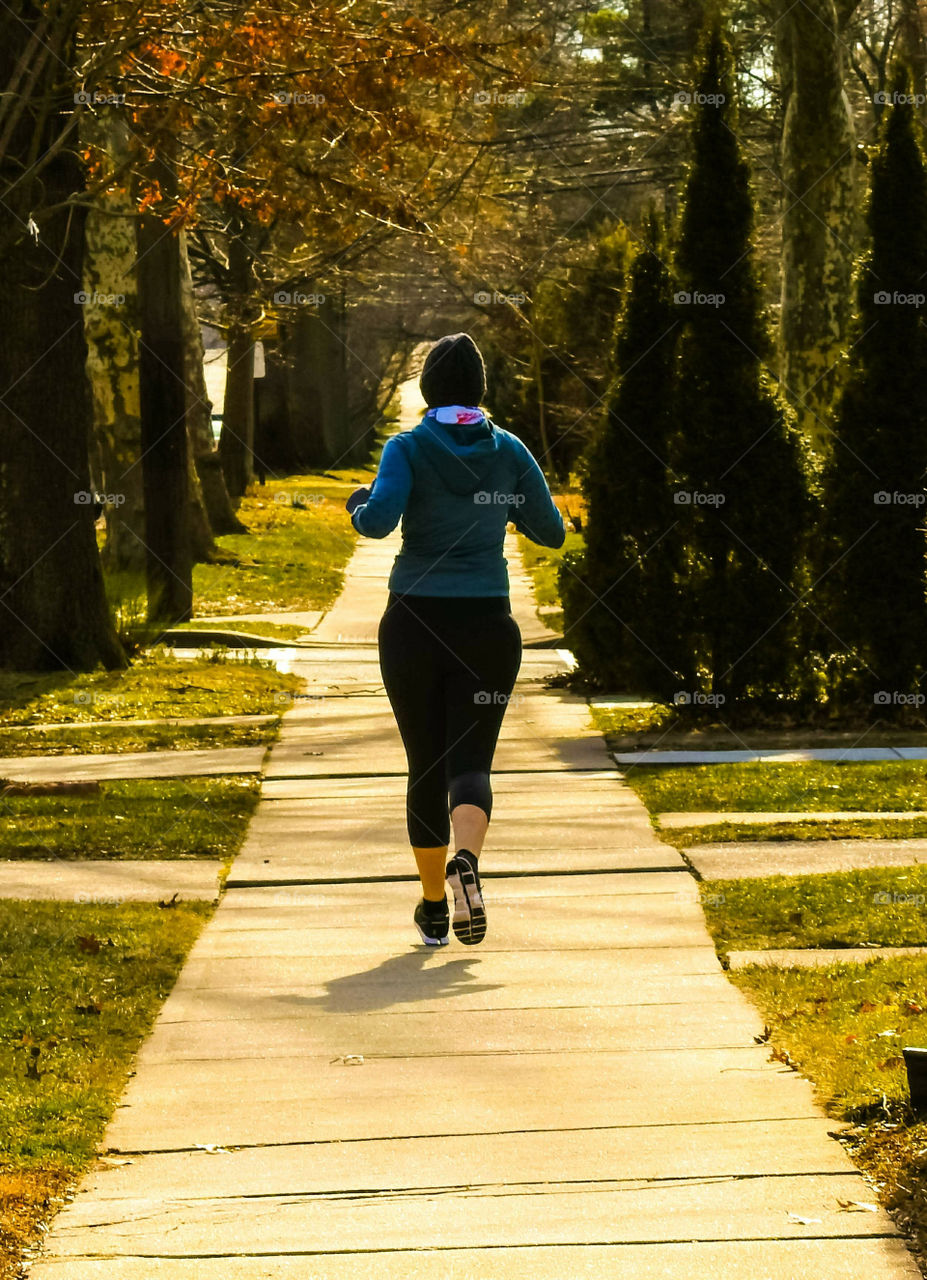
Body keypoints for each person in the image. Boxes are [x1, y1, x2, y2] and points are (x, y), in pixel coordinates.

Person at [345, 333, 565, 947]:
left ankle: (435, 906)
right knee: (471, 762)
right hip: (488, 626)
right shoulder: (511, 451)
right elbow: (551, 533)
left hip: (413, 622)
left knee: (426, 763)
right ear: (480, 391)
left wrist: (359, 505)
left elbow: (380, 520)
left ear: (427, 391)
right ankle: (466, 860)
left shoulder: (408, 447)